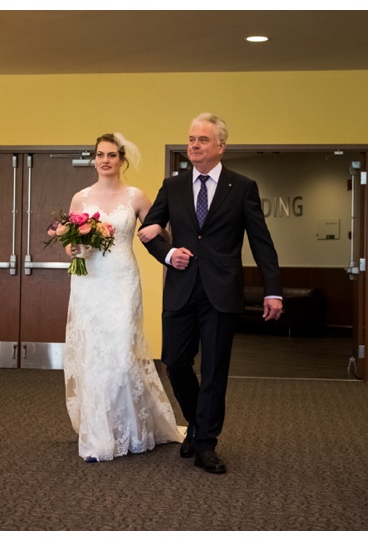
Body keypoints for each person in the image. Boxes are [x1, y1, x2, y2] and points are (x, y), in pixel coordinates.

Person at [138, 113, 283, 474]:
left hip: (221, 291)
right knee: (175, 362)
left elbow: (261, 243)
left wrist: (273, 291)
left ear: (220, 146)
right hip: (181, 289)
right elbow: (149, 231)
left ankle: (205, 443)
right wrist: (170, 254)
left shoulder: (242, 186)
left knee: (215, 370)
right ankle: (197, 422)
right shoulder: (172, 186)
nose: (194, 146)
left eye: (202, 140)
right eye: (190, 139)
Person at [61, 133, 182, 463]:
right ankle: (100, 433)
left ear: (122, 160)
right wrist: (72, 247)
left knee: (120, 351)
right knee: (95, 354)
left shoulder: (136, 196)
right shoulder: (80, 198)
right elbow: (72, 244)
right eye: (100, 154)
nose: (105, 160)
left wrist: (169, 248)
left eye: (112, 155)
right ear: (94, 159)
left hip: (122, 280)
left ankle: (130, 427)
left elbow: (156, 231)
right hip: (89, 282)